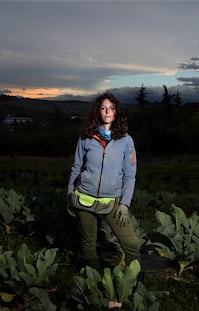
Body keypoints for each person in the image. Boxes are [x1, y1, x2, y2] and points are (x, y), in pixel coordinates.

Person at [66, 92, 140, 270]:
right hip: (84, 197)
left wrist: (125, 203)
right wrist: (69, 194)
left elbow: (130, 175)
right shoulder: (86, 137)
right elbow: (76, 167)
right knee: (88, 242)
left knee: (130, 244)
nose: (107, 111)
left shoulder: (126, 141)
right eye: (103, 107)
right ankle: (94, 276)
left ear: (116, 112)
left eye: (111, 108)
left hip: (112, 200)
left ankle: (135, 281)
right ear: (97, 111)